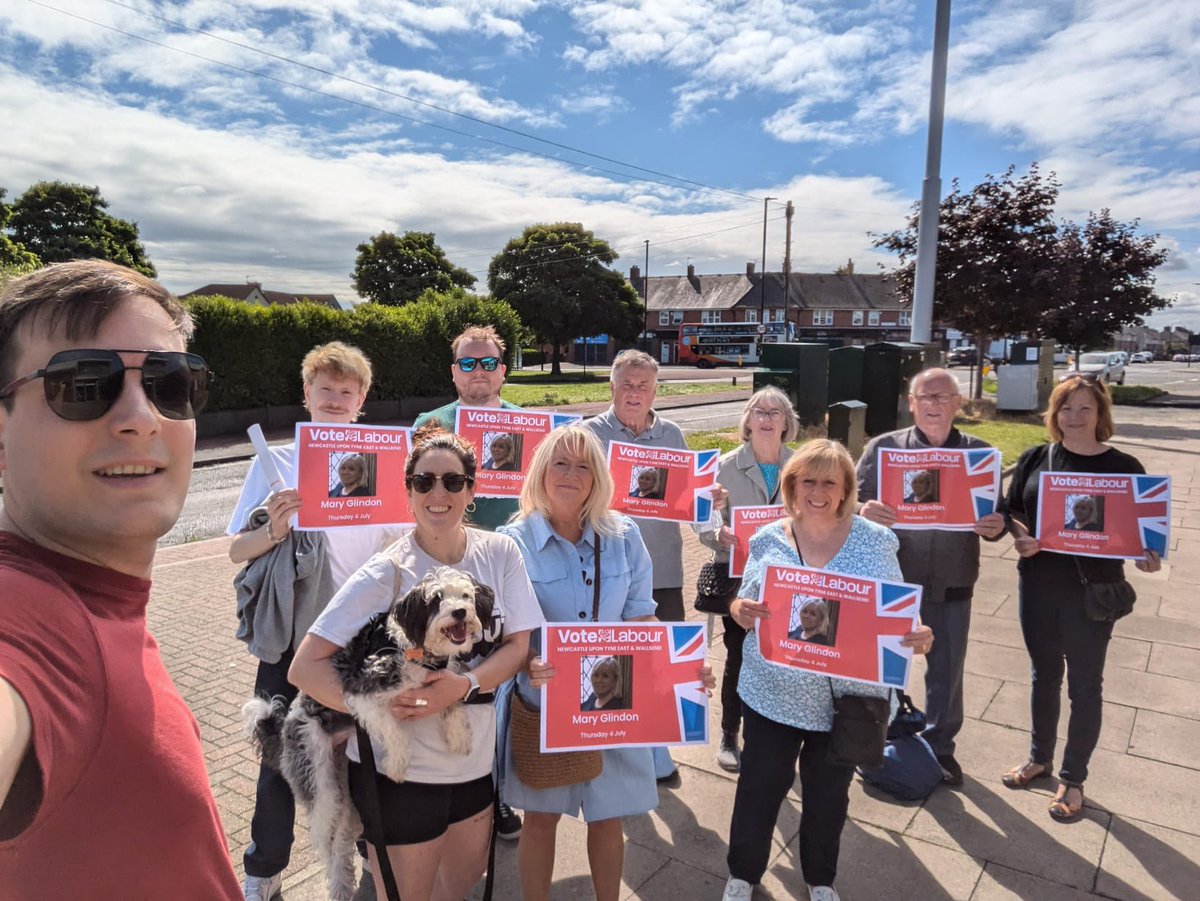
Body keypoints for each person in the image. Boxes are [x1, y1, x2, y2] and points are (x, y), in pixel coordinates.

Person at [0, 261, 241, 899]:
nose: (140, 417)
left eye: (171, 382)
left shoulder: (97, 601)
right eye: (81, 383)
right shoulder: (28, 612)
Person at [289, 427, 543, 901]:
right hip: (399, 775)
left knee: (463, 882)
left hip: (474, 763)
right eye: (424, 482)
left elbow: (518, 646)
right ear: (408, 491)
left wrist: (462, 685)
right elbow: (304, 667)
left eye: (452, 481)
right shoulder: (388, 570)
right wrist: (372, 705)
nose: (438, 493)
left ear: (472, 488)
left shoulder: (500, 553)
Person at [498, 426, 715, 901]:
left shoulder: (624, 535)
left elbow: (641, 616)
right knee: (540, 819)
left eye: (583, 466)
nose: (571, 474)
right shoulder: (509, 542)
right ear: (541, 471)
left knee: (608, 816)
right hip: (544, 703)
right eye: (560, 463)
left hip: (617, 700)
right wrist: (528, 661)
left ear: (598, 477)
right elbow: (502, 631)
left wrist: (682, 670)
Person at [228, 342, 403, 900]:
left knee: (365, 752)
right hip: (293, 639)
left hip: (363, 638)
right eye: (323, 389)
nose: (334, 399)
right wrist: (274, 531)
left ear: (362, 400)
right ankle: (264, 871)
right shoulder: (276, 464)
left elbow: (399, 549)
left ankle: (369, 858)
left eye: (345, 391)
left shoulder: (385, 462)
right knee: (281, 755)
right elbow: (237, 550)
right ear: (306, 394)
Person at [722, 440, 933, 901]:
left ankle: (820, 879)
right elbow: (744, 598)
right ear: (792, 487)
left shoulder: (875, 541)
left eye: (829, 482)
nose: (817, 491)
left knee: (828, 796)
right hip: (773, 691)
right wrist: (740, 608)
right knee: (759, 788)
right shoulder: (768, 538)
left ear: (845, 491)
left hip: (846, 702)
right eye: (807, 481)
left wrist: (917, 634)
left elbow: (897, 611)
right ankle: (742, 874)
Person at [999, 374, 1160, 821]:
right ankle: (1039, 758)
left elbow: (1146, 534)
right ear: (1055, 414)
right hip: (1038, 581)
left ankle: (1073, 778)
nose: (1074, 416)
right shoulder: (1036, 458)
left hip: (1093, 589)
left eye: (1085, 408)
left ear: (1100, 414)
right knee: (1043, 675)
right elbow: (1013, 513)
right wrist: (1021, 536)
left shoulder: (1126, 467)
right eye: (1066, 408)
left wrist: (1149, 557)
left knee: (1085, 686)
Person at [856, 367, 1006, 787]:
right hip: (892, 582)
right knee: (881, 668)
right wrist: (862, 511)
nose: (934, 405)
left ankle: (941, 747)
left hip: (953, 580)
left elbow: (999, 513)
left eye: (943, 397)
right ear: (911, 403)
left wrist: (999, 525)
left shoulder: (980, 456)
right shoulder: (883, 449)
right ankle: (873, 741)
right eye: (925, 397)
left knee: (947, 671)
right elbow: (850, 501)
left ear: (958, 404)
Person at [413, 324, 526, 838]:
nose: (478, 371)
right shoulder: (430, 425)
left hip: (510, 570)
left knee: (501, 686)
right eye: (467, 363)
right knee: (446, 680)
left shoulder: (531, 426)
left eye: (487, 362)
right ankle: (442, 785)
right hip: (448, 575)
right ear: (453, 372)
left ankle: (497, 791)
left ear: (503, 370)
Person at [583, 349, 689, 782]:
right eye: (626, 384)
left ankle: (657, 750)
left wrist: (707, 503)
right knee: (610, 665)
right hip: (606, 575)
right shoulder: (587, 435)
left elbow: (687, 502)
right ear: (611, 387)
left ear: (655, 391)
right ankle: (610, 748)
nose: (634, 392)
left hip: (662, 570)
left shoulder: (674, 435)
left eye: (642, 385)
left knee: (658, 664)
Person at [697, 385, 798, 773]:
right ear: (748, 422)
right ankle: (729, 733)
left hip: (789, 580)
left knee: (785, 656)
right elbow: (701, 519)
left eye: (776, 413)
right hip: (738, 578)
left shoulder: (802, 465)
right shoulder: (722, 467)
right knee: (739, 655)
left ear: (787, 423)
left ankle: (777, 734)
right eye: (760, 411)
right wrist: (715, 531)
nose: (767, 419)